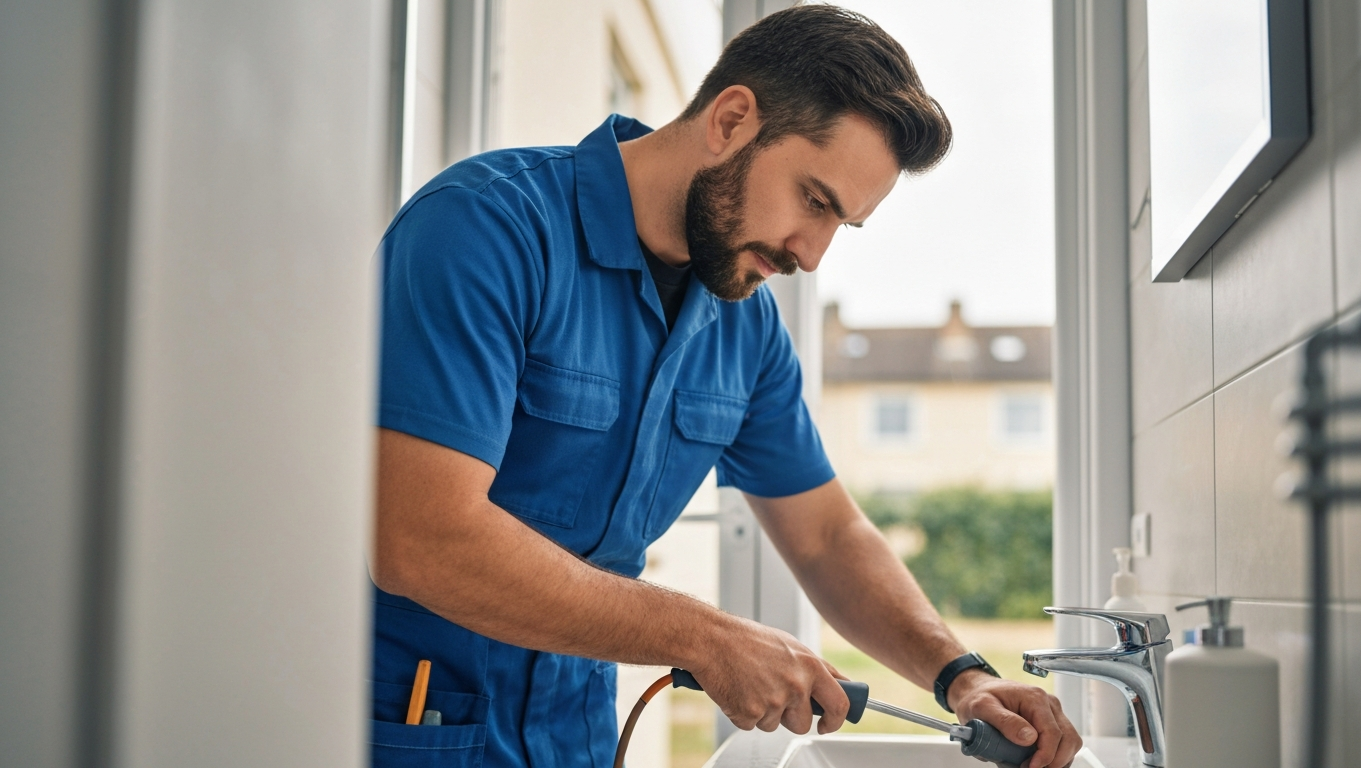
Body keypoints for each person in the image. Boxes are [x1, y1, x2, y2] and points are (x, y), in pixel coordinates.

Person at [369, 5, 1081, 768]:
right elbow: (418, 539)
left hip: (574, 742)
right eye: (815, 200)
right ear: (732, 120)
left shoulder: (745, 325)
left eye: (844, 225)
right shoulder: (484, 229)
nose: (812, 255)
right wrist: (705, 638)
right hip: (414, 730)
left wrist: (961, 676)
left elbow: (827, 535)